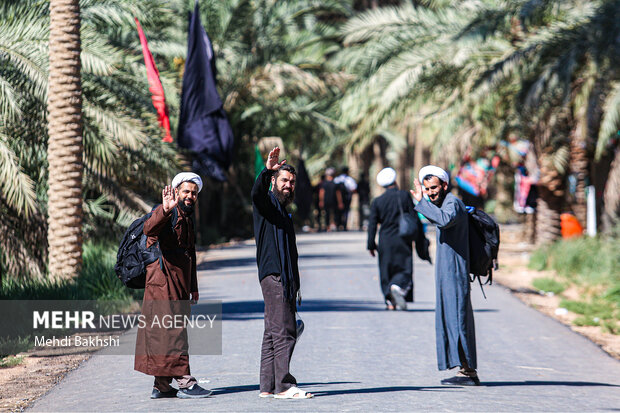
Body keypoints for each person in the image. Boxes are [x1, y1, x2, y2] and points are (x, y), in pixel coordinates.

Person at [134, 172, 213, 399]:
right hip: (163, 284)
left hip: (179, 284)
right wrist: (165, 209)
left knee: (166, 332)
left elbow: (190, 254)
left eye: (194, 193)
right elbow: (150, 229)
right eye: (186, 192)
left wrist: (193, 287)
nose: (190, 196)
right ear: (177, 192)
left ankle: (162, 385)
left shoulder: (187, 216)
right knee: (173, 332)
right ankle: (186, 382)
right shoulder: (168, 212)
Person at [252, 147, 313, 399]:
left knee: (272, 331)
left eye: (292, 182)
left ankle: (267, 386)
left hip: (280, 278)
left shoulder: (282, 210)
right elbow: (256, 194)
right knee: (285, 330)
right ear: (274, 182)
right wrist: (267, 171)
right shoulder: (267, 204)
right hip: (275, 275)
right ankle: (284, 386)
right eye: (284, 180)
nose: (288, 185)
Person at [411, 165, 480, 386]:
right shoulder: (444, 203)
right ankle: (463, 369)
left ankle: (469, 372)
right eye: (427, 188)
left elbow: (444, 219)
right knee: (450, 319)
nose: (431, 192)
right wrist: (424, 203)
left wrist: (422, 202)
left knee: (458, 320)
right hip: (446, 272)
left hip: (455, 272)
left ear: (445, 185)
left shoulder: (453, 203)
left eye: (434, 188)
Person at [367, 168, 430, 310]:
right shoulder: (404, 196)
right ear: (395, 181)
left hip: (385, 240)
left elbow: (372, 225)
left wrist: (371, 245)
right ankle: (398, 287)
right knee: (404, 268)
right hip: (403, 238)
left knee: (386, 269)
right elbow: (414, 217)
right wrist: (420, 239)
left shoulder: (377, 201)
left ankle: (390, 301)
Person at [318, 167, 343, 232]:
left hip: (326, 201)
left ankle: (328, 226)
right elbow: (338, 194)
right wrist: (340, 202)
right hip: (334, 201)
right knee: (335, 213)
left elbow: (321, 193)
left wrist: (321, 201)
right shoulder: (335, 184)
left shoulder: (324, 184)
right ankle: (335, 225)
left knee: (327, 214)